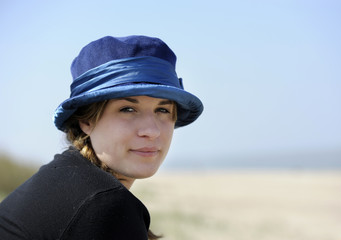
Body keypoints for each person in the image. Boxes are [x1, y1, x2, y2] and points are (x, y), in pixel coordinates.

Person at [0, 35, 203, 240]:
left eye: (163, 110)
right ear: (86, 121)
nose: (152, 130)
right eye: (128, 109)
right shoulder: (102, 205)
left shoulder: (64, 179)